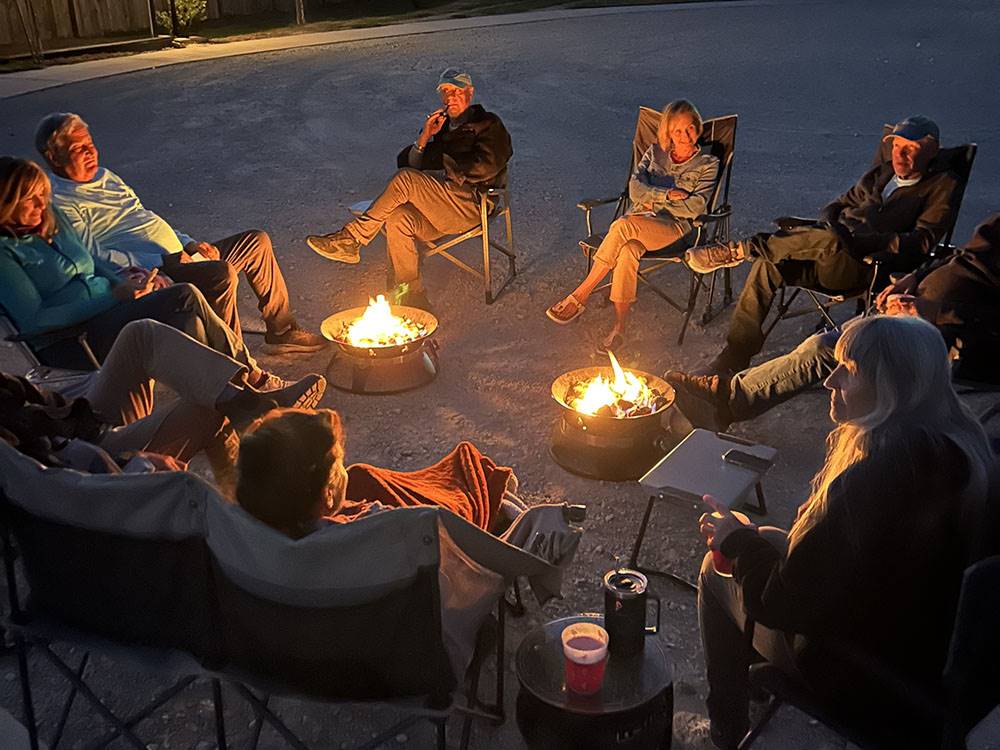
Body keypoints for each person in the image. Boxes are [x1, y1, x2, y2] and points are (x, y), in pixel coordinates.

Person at [695, 315, 994, 749]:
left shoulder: (877, 480)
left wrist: (733, 541)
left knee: (715, 572)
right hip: (919, 649)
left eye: (848, 370)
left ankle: (726, 729)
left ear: (892, 386)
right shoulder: (957, 448)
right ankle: (752, 686)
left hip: (860, 670)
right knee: (772, 537)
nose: (828, 380)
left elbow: (777, 603)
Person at [666, 213, 1000, 431]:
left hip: (953, 339)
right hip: (913, 305)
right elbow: (957, 257)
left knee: (828, 347)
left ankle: (725, 402)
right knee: (786, 262)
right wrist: (913, 278)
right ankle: (730, 371)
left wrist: (934, 313)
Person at [687, 115, 960, 374]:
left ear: (932, 149)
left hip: (863, 266)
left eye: (910, 148)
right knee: (768, 264)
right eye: (897, 146)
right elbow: (838, 204)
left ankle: (740, 249)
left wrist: (864, 241)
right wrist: (831, 223)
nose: (899, 155)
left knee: (831, 240)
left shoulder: (941, 186)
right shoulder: (884, 172)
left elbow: (923, 241)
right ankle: (735, 355)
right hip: (826, 250)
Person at [35, 112, 326, 353]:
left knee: (256, 241)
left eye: (90, 144)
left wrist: (189, 244)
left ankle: (281, 330)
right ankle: (232, 364)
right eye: (78, 149)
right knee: (222, 274)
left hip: (178, 256)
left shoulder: (105, 177)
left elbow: (146, 216)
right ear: (54, 157)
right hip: (153, 271)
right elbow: (94, 257)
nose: (90, 153)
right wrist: (161, 262)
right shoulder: (60, 200)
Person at [0, 156, 291, 390]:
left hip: (124, 293)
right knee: (185, 297)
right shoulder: (8, 252)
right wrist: (117, 294)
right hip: (76, 336)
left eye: (42, 195)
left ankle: (234, 388)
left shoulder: (52, 215)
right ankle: (245, 380)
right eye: (30, 199)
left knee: (195, 311)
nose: (41, 204)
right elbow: (36, 320)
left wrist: (127, 279)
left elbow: (92, 259)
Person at [0, 319, 326, 484]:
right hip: (95, 462)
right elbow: (43, 474)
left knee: (143, 334)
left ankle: (250, 407)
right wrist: (134, 463)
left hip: (79, 422)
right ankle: (250, 490)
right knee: (209, 399)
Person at [305, 68, 513, 311]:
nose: (450, 98)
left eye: (457, 91)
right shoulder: (443, 128)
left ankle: (352, 239)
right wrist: (425, 137)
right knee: (397, 217)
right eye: (446, 92)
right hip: (442, 208)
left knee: (406, 181)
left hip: (473, 203)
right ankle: (411, 295)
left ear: (470, 93)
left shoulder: (489, 124)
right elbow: (410, 166)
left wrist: (446, 171)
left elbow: (489, 165)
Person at [546, 100, 719, 352]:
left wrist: (654, 202)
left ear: (698, 127)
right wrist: (667, 195)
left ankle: (580, 295)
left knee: (623, 227)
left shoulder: (707, 163)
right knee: (628, 250)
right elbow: (635, 190)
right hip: (641, 222)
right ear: (668, 133)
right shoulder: (654, 153)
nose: (685, 136)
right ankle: (620, 327)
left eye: (690, 128)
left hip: (677, 230)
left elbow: (695, 207)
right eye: (678, 131)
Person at [236, 408, 513, 540]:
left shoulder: (251, 538)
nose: (343, 466)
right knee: (480, 484)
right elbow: (441, 537)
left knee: (361, 476)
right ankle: (501, 502)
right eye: (338, 465)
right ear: (326, 495)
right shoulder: (377, 529)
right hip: (416, 616)